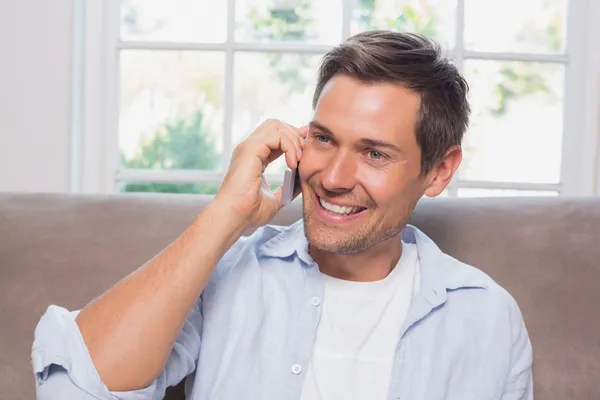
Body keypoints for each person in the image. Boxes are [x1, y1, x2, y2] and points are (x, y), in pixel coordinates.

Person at [32, 31, 533, 399]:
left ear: (439, 171)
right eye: (323, 138)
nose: (334, 177)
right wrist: (226, 214)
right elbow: (73, 388)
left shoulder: (486, 317)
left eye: (374, 153)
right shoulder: (227, 274)